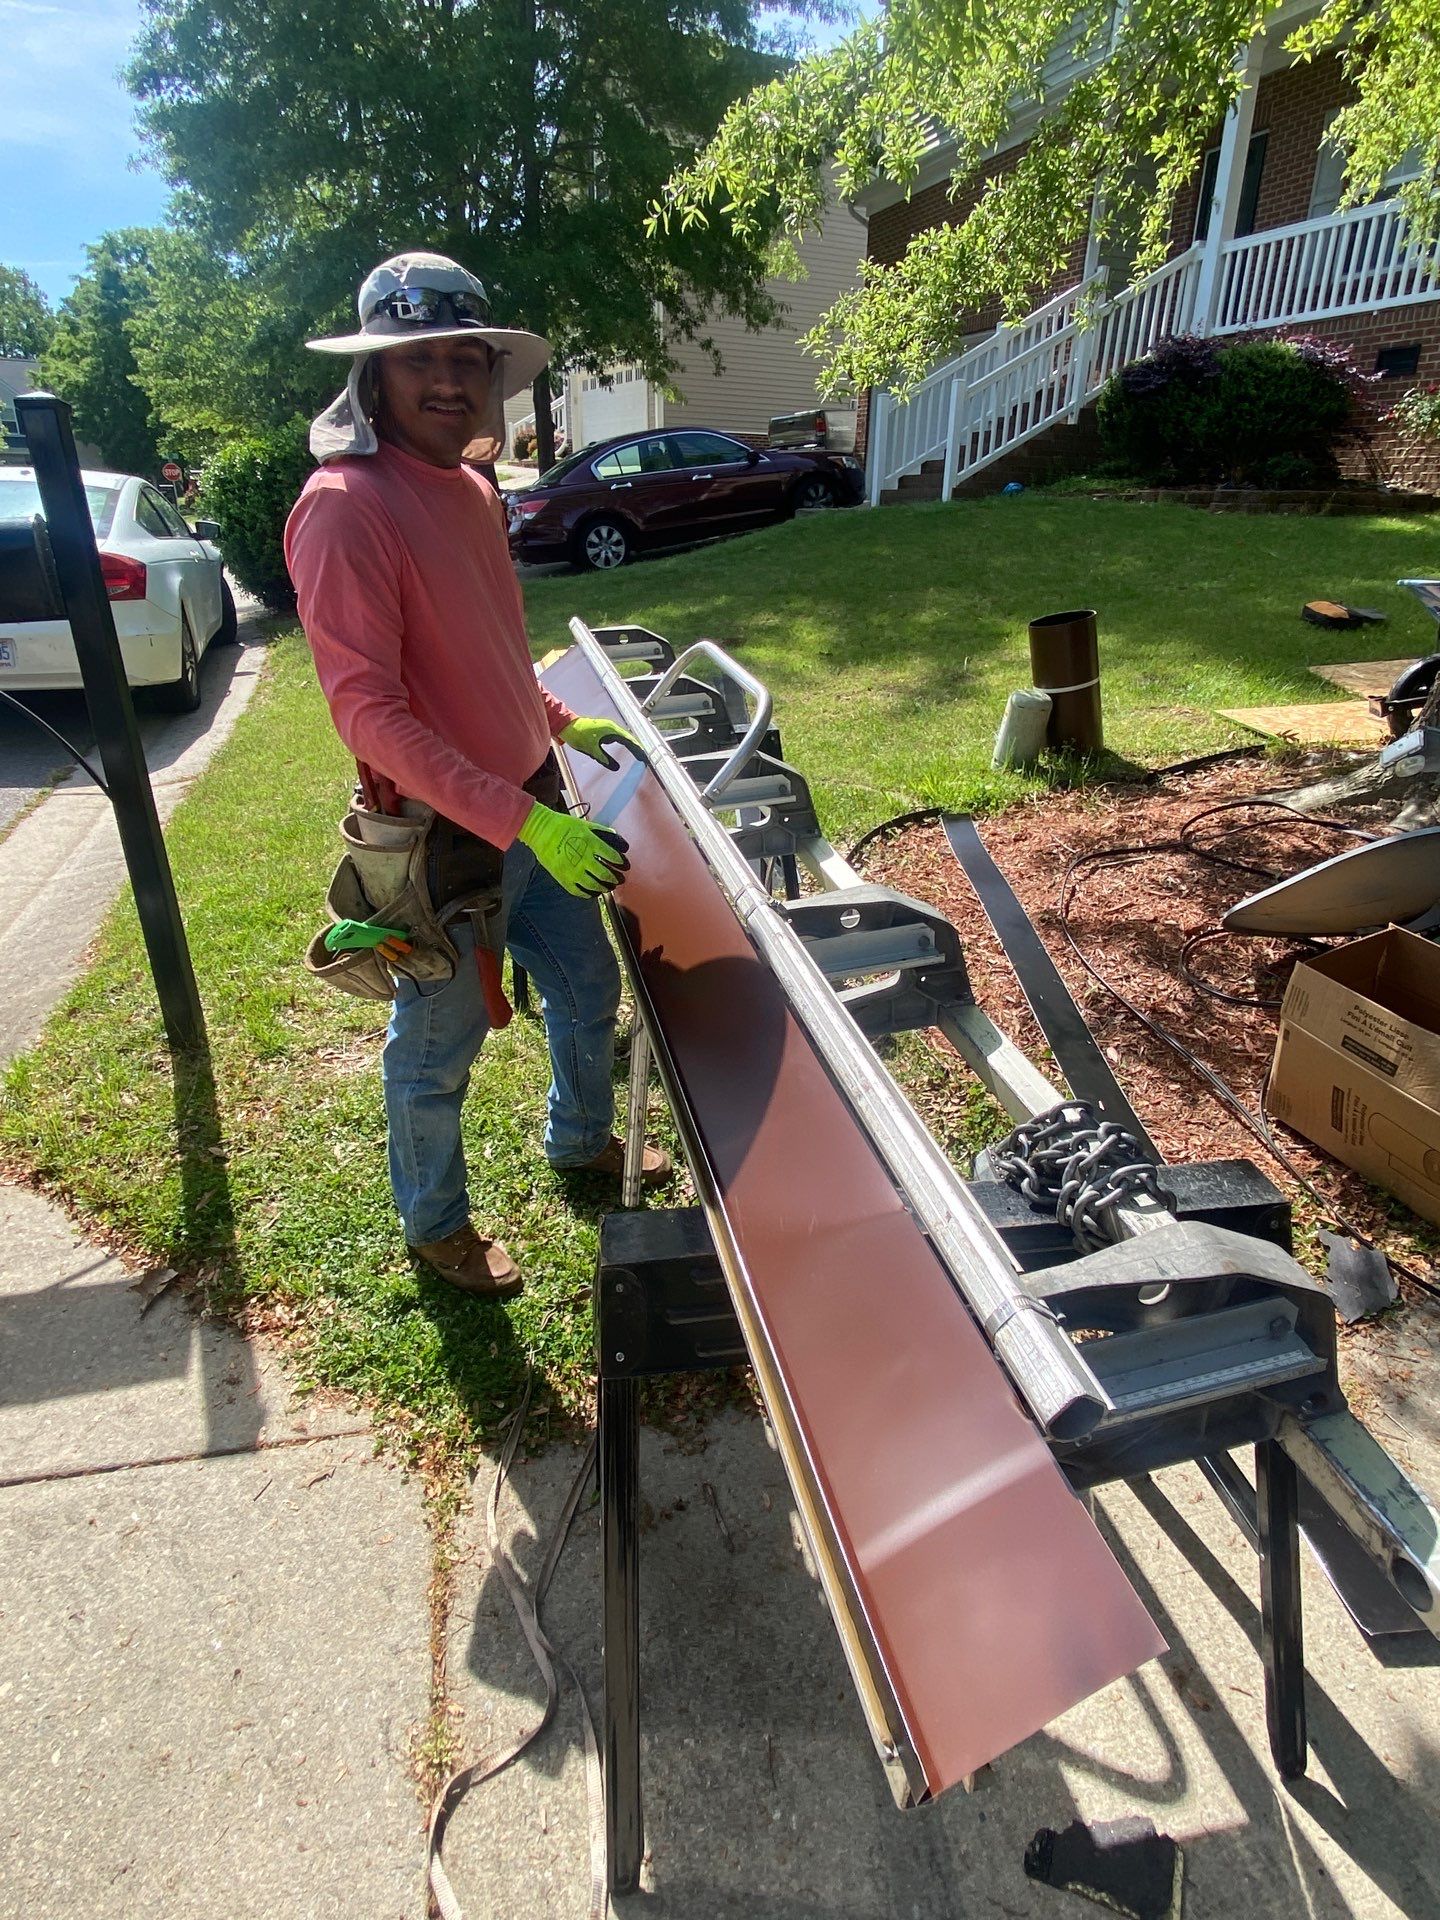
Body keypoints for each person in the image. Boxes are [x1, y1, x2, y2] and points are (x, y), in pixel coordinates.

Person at [284, 251, 669, 1302]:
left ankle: (578, 1139)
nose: (450, 378)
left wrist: (556, 722)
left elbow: (489, 653)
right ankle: (436, 1227)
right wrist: (520, 820)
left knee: (589, 990)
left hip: (537, 809)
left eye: (468, 357)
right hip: (447, 843)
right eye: (421, 359)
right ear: (374, 376)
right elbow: (368, 709)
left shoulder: (467, 486)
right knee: (435, 1053)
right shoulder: (343, 506)